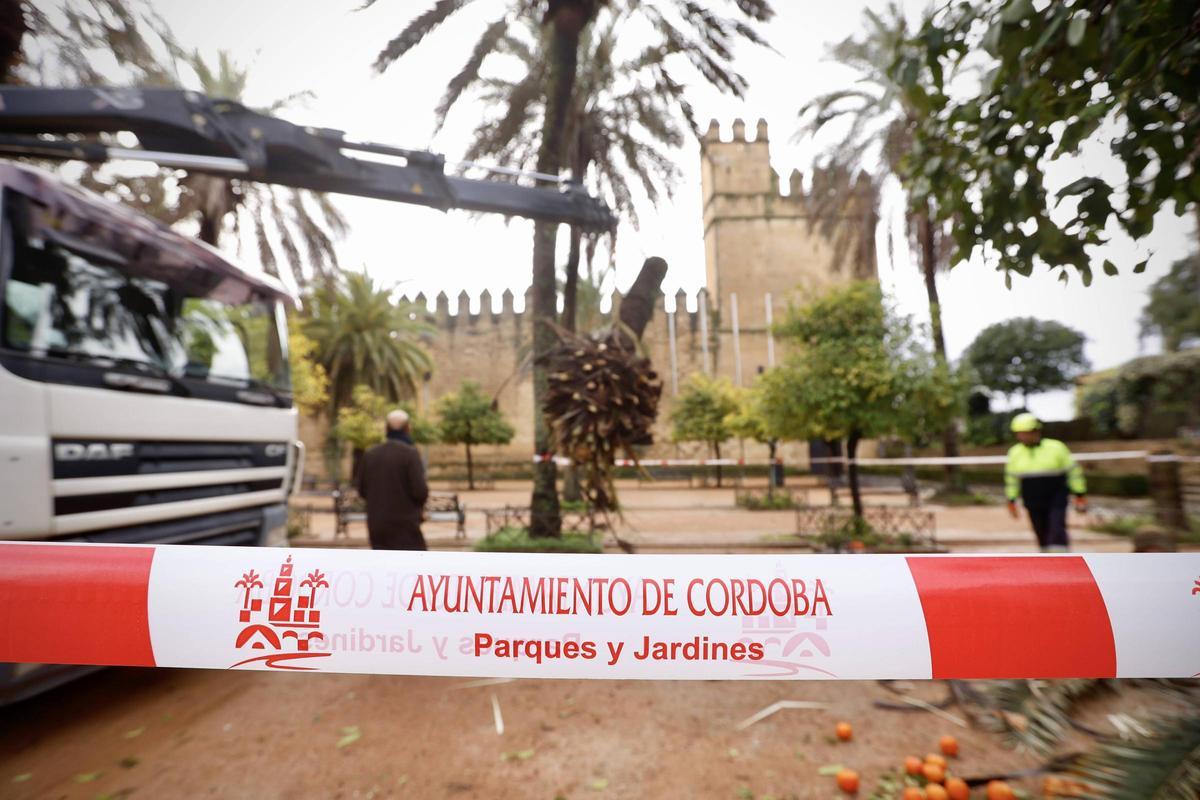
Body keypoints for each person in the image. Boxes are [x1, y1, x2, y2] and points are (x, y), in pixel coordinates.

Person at [1004, 413, 1087, 552]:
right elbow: (1012, 480)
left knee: (1056, 529)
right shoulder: (1014, 452)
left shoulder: (1056, 447)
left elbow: (1074, 473)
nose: (1021, 437)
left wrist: (1080, 494)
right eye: (1019, 433)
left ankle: (1061, 561)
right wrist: (1011, 500)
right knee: (1040, 531)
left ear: (1035, 431)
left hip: (1056, 496)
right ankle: (1046, 561)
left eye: (1024, 433)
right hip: (1031, 498)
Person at [355, 409, 429, 550]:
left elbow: (362, 489)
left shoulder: (370, 454)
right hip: (405, 525)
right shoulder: (410, 454)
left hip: (377, 524)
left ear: (386, 428)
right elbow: (420, 491)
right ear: (407, 428)